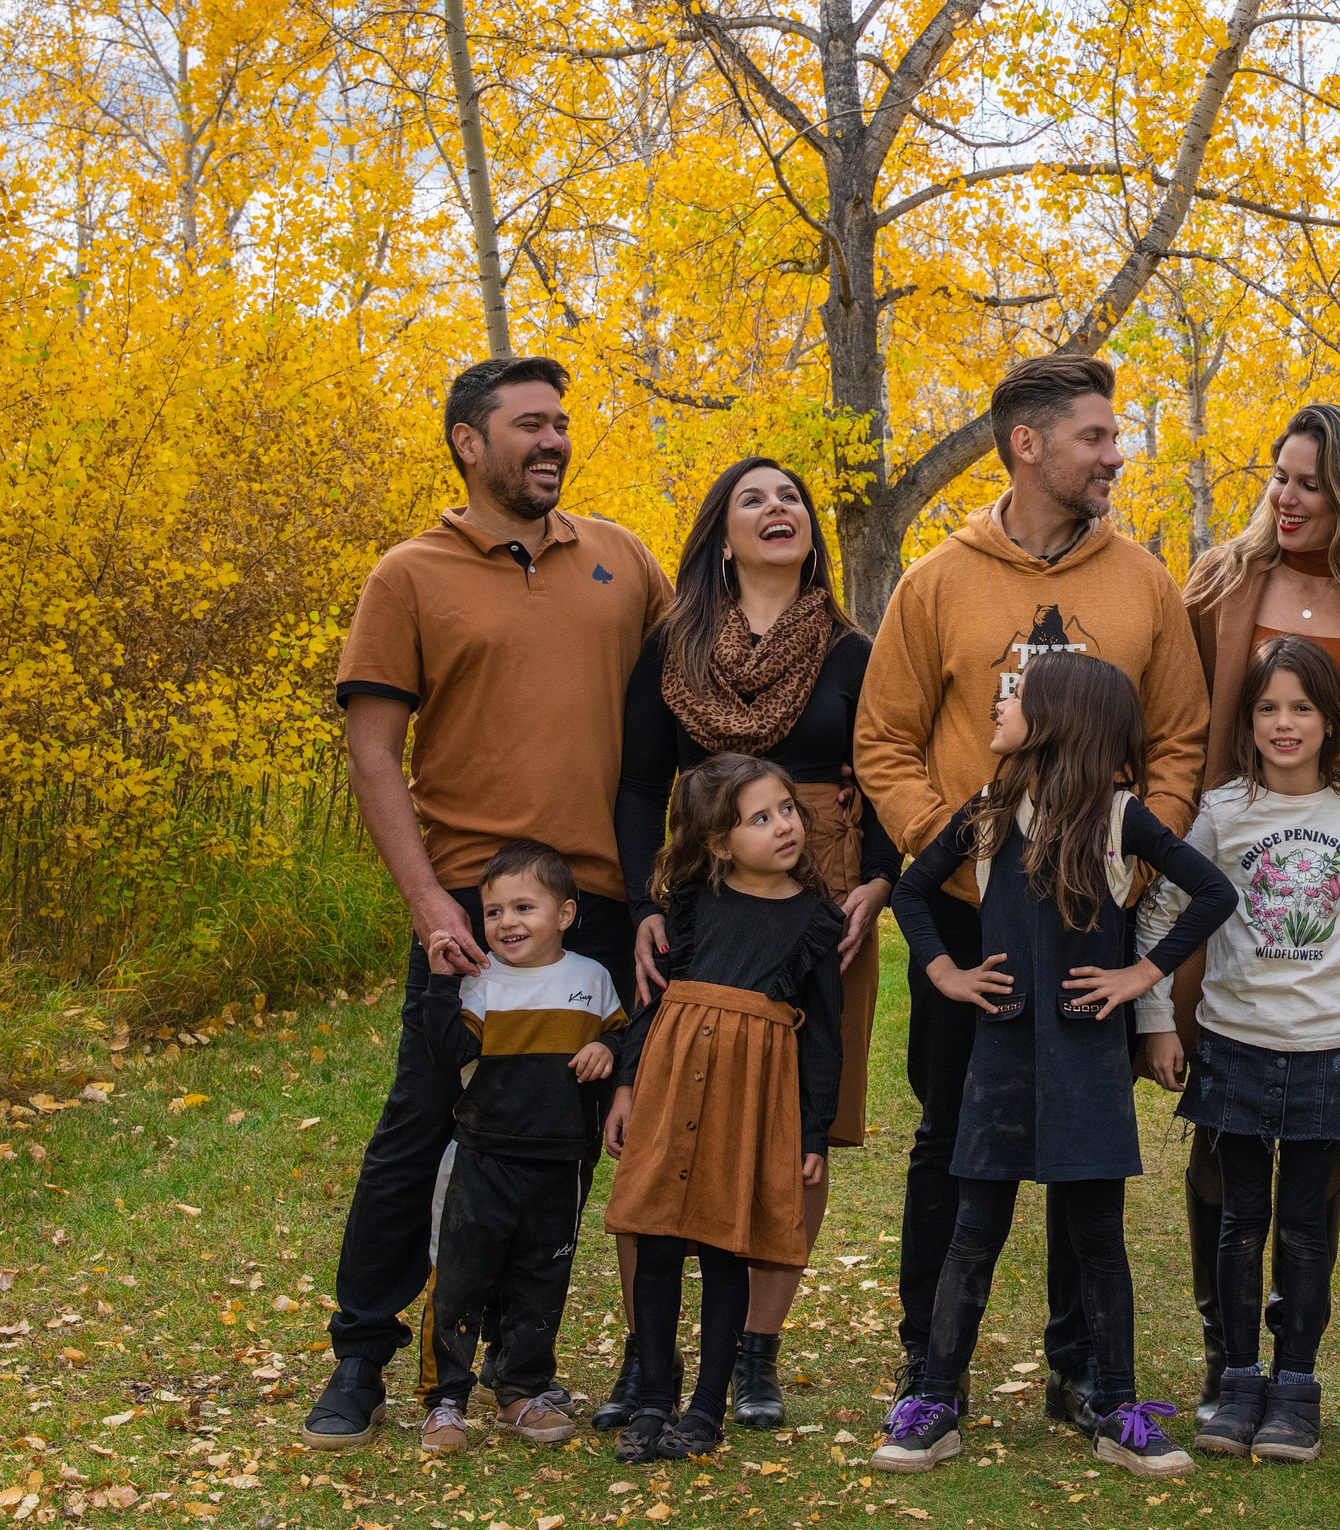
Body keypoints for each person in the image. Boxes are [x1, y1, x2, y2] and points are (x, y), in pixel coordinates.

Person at [311, 355, 670, 1449]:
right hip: (475, 910)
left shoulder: (620, 559)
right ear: (470, 442)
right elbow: (374, 753)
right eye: (529, 425)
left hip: (600, 906)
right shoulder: (409, 575)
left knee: (565, 1138)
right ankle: (362, 1356)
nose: (554, 441)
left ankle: (535, 1371)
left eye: (561, 423)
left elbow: (702, 677)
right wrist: (431, 905)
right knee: (423, 1128)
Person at [853, 354, 1210, 1430]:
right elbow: (885, 741)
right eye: (1096, 436)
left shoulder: (1143, 582)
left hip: (1092, 915)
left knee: (1080, 1144)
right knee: (950, 1135)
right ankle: (930, 1365)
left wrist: (1133, 862)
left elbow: (1182, 739)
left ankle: (1079, 1369)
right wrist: (960, 857)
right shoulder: (938, 581)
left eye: (1114, 436)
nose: (1115, 453)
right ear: (1028, 443)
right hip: (975, 917)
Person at [870, 653, 1236, 1479]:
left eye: (1017, 695)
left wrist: (1142, 975)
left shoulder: (1121, 818)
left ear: (1061, 719)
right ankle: (933, 1401)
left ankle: (1117, 1408)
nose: (1000, 702)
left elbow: (1212, 891)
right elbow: (911, 892)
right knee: (973, 1234)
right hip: (999, 1063)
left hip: (1085, 1067)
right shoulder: (992, 810)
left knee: (1098, 1239)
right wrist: (945, 975)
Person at [612, 456, 899, 1431]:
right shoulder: (675, 647)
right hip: (701, 896)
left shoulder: (855, 651)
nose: (779, 509)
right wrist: (641, 906)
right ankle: (645, 1354)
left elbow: (889, 767)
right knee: (664, 1107)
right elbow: (637, 784)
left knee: (794, 1129)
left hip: (823, 897)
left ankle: (755, 1353)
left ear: (810, 531)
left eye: (792, 498)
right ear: (720, 533)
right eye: (754, 498)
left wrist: (878, 880)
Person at [1139, 637, 1340, 1464]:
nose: (1284, 723)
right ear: (1246, 720)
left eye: (1302, 708)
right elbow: (1161, 919)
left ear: (1331, 722)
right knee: (1240, 1221)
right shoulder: (1223, 810)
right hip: (1236, 1044)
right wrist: (1153, 1015)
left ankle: (1296, 1386)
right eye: (1267, 708)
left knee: (1306, 1231)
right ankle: (1239, 1378)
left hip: (1326, 1049)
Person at [1173, 403, 1340, 1416]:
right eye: (1278, 477)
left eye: (1310, 484)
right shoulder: (1224, 585)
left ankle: (1296, 1358)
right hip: (1236, 859)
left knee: (1321, 1118)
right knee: (1224, 1115)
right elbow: (1178, 717)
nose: (1285, 498)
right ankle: (1223, 1346)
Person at [602, 756, 846, 1464]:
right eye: (760, 818)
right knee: (656, 1243)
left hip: (749, 1099)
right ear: (717, 842)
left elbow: (825, 1037)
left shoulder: (815, 922)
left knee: (723, 1246)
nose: (784, 826)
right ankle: (652, 1398)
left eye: (788, 809)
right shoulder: (690, 900)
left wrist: (812, 1131)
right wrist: (625, 1084)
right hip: (671, 1084)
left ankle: (706, 1408)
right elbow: (653, 999)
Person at [413, 840, 631, 1455]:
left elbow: (623, 1038)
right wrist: (440, 981)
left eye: (524, 908)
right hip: (482, 1157)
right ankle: (444, 1402)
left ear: (565, 914)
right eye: (494, 912)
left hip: (561, 1161)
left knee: (542, 1278)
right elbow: (448, 1054)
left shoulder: (592, 979)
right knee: (459, 1278)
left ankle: (519, 1389)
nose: (507, 923)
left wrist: (609, 1053)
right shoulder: (483, 982)